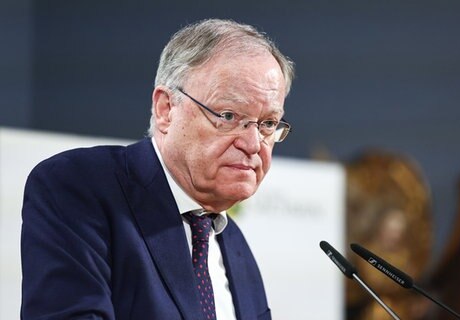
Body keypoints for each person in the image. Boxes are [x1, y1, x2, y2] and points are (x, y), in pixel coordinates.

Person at [21, 18, 295, 320]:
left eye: (268, 123)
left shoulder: (234, 245)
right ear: (166, 109)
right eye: (229, 115)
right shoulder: (78, 189)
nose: (253, 143)